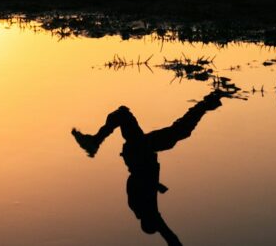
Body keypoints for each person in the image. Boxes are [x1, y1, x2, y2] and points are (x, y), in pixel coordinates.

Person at [71, 89, 229, 245]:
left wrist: (154, 184)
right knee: (173, 129)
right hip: (139, 152)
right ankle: (208, 102)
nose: (158, 217)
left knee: (133, 117)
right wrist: (155, 185)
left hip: (140, 152)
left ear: (147, 221)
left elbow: (170, 237)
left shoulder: (147, 211)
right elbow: (169, 236)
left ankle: (95, 142)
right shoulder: (139, 207)